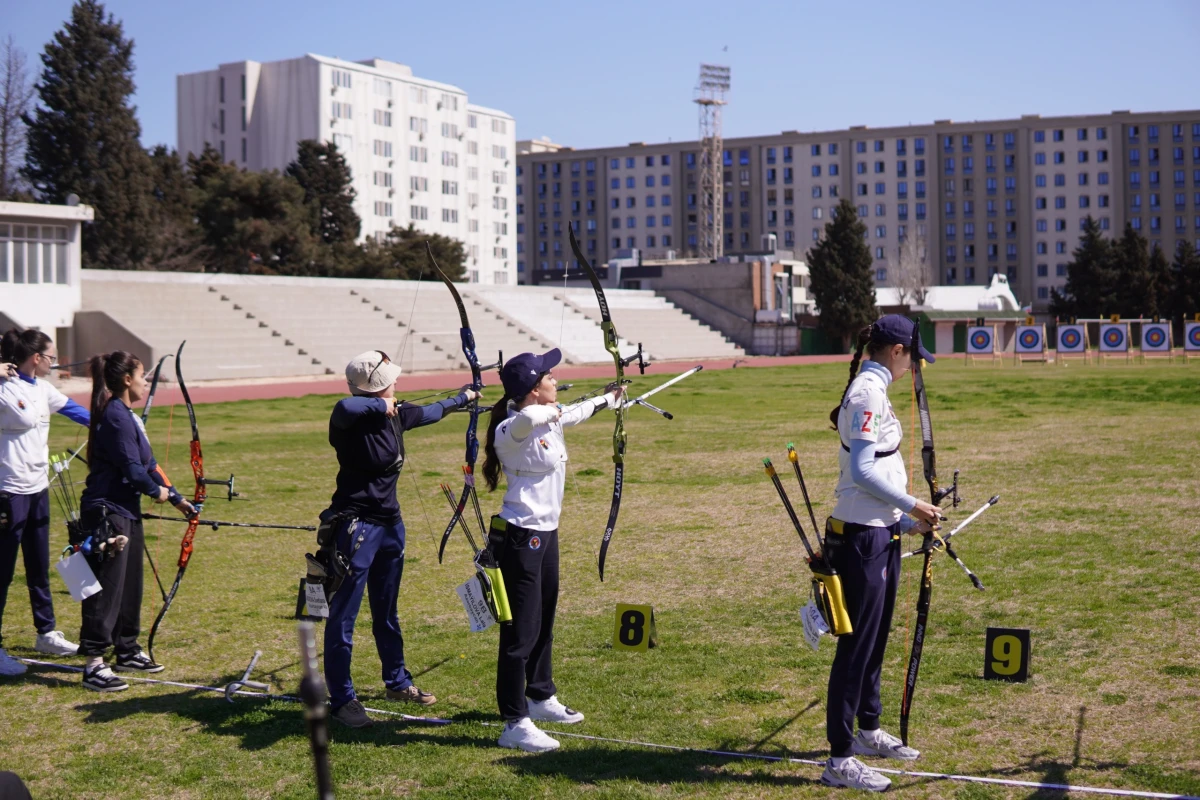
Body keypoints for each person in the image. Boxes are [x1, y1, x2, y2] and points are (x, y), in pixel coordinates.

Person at [323, 350, 478, 728]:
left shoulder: (398, 413)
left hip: (391, 525)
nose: (399, 383)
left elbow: (433, 411)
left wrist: (465, 397)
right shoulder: (349, 419)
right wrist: (382, 407)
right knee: (343, 615)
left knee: (386, 609)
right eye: (392, 380)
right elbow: (346, 406)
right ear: (378, 388)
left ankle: (396, 681)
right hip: (356, 526)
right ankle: (342, 699)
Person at [480, 349, 625, 753]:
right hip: (520, 538)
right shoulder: (511, 428)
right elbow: (532, 417)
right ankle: (514, 722)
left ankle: (540, 695)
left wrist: (608, 399)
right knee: (518, 633)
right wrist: (555, 407)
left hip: (546, 535)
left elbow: (570, 414)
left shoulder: (549, 415)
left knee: (544, 621)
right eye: (548, 375)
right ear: (532, 387)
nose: (555, 378)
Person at [819, 315, 941, 792]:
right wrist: (913, 504)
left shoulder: (874, 389)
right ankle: (839, 758)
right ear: (896, 351)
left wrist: (906, 522)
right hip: (861, 539)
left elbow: (877, 476)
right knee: (855, 649)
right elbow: (863, 471)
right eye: (914, 356)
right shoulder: (867, 393)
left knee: (875, 641)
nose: (915, 366)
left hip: (880, 531)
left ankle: (868, 730)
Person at [76, 351, 195, 691]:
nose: (145, 382)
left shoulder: (126, 415)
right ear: (127, 379)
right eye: (143, 375)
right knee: (106, 588)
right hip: (107, 513)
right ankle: (94, 663)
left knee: (130, 586)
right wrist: (156, 492)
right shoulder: (115, 416)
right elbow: (133, 470)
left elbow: (149, 462)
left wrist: (176, 498)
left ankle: (126, 648)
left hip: (125, 509)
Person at [0, 329, 91, 677]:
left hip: (38, 488)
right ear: (36, 357)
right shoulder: (3, 386)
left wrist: (117, 421)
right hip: (8, 490)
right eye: (51, 356)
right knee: (3, 572)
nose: (54, 361)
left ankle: (46, 632)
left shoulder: (42, 388)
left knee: (38, 566)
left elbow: (75, 411)